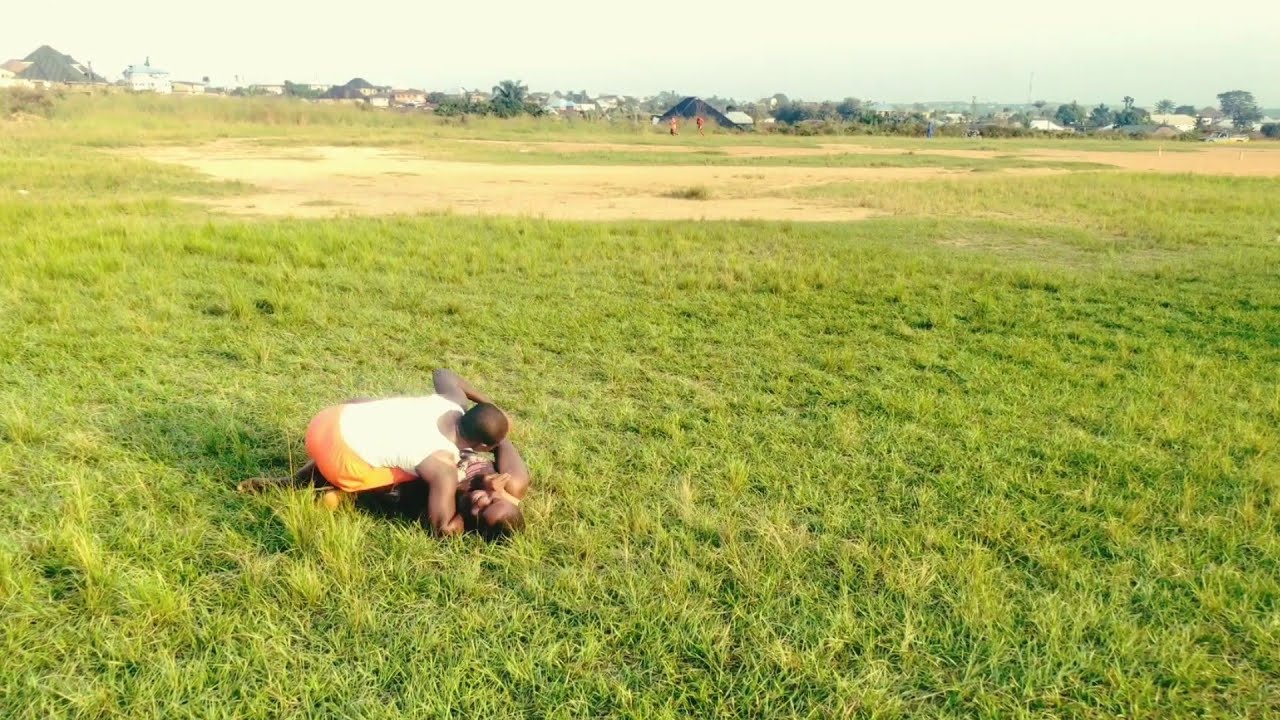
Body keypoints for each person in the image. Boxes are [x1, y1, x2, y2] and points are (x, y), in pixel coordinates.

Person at [239, 369, 512, 538]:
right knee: (410, 473)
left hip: (325, 422)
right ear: (482, 448)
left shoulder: (451, 401)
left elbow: (443, 374)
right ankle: (342, 495)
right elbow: (441, 527)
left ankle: (291, 483)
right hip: (340, 458)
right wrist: (465, 520)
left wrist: (488, 405)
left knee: (383, 432)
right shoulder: (443, 465)